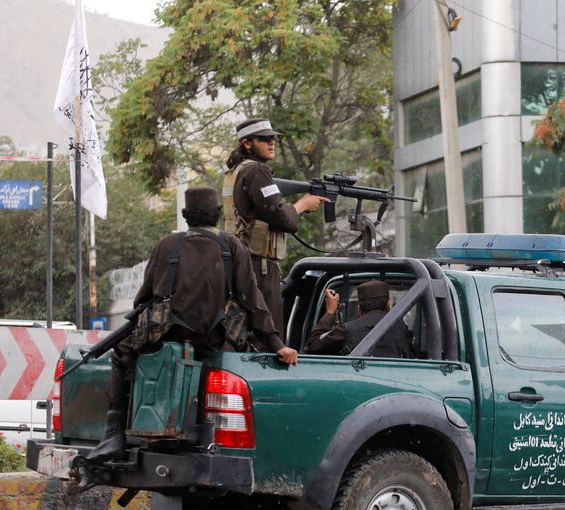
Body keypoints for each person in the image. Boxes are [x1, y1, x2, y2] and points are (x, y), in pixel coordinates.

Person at [86, 187, 299, 464]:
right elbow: (253, 302)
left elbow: (143, 300)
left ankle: (114, 435)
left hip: (167, 336)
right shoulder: (232, 246)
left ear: (187, 217)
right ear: (217, 216)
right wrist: (277, 345)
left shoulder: (167, 245)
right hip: (213, 340)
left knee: (122, 354)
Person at [221, 117, 328, 337]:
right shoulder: (257, 171)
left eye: (273, 139)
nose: (272, 143)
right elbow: (282, 219)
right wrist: (302, 205)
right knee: (268, 336)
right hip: (258, 266)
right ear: (247, 143)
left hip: (242, 262)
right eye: (265, 139)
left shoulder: (237, 170)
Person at [305, 280, 414, 358]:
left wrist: (330, 312)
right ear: (388, 305)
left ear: (359, 309)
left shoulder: (345, 329)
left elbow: (313, 345)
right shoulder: (402, 329)